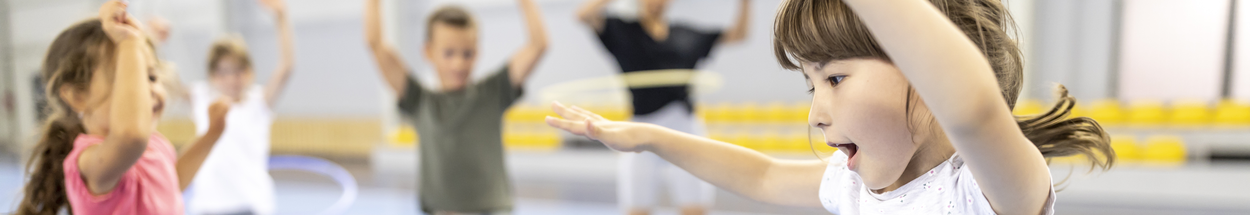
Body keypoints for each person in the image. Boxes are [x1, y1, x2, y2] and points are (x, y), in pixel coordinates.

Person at [547, 0, 1116, 214]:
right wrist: (648, 138)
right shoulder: (853, 187)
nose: (818, 113)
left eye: (836, 77)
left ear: (924, 67)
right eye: (811, 84)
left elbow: (971, 108)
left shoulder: (986, 192)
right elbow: (763, 176)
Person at [16, 1, 231, 214]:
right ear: (78, 97)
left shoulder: (155, 144)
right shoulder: (89, 160)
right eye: (130, 78)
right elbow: (129, 136)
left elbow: (173, 182)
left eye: (151, 76)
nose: (148, 89)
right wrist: (128, 43)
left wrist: (211, 134)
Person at [363, 0, 548, 213]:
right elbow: (375, 44)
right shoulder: (420, 100)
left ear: (477, 53)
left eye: (467, 53)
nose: (458, 64)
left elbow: (538, 45)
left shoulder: (493, 92)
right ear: (429, 52)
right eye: (449, 53)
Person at [575, 0, 748, 214]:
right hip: (640, 124)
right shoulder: (622, 31)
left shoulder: (685, 35)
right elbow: (582, 15)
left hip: (683, 124)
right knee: (636, 206)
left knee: (695, 206)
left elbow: (738, 35)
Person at [182, 0, 294, 214]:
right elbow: (165, 81)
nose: (232, 79)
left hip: (250, 204)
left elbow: (286, 68)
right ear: (213, 76)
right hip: (208, 206)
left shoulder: (258, 102)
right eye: (224, 72)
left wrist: (281, 17)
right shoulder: (202, 97)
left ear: (250, 72)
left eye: (238, 71)